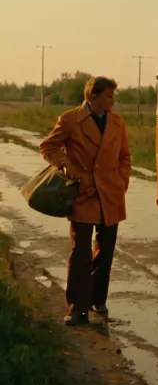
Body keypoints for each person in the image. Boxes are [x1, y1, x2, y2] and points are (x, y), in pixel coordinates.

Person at [39, 76, 131, 326]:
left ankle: (97, 300)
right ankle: (77, 307)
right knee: (80, 252)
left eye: (113, 95)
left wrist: (121, 182)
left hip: (111, 194)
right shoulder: (70, 119)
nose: (113, 100)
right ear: (93, 96)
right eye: (109, 96)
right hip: (83, 192)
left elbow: (125, 157)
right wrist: (68, 168)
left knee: (105, 250)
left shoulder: (117, 122)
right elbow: (49, 147)